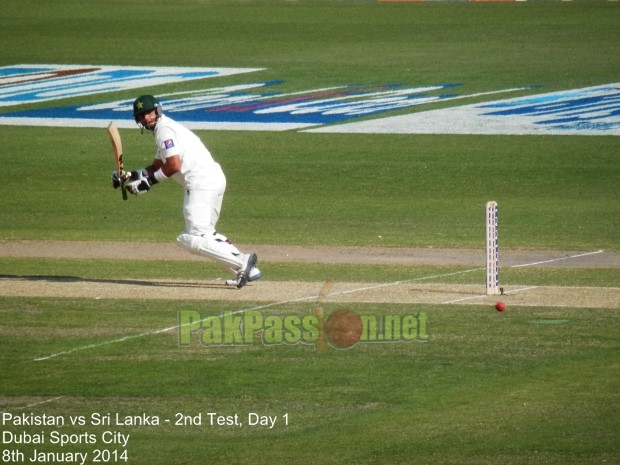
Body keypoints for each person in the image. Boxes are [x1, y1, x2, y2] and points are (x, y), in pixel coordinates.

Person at [112, 95, 261, 289]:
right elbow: (157, 165)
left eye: (148, 113)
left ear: (157, 111)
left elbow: (173, 166)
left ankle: (243, 261)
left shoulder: (164, 130)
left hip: (200, 183)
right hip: (213, 178)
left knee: (187, 239)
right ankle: (247, 269)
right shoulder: (165, 129)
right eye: (141, 116)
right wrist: (130, 175)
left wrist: (146, 184)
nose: (146, 118)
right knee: (205, 234)